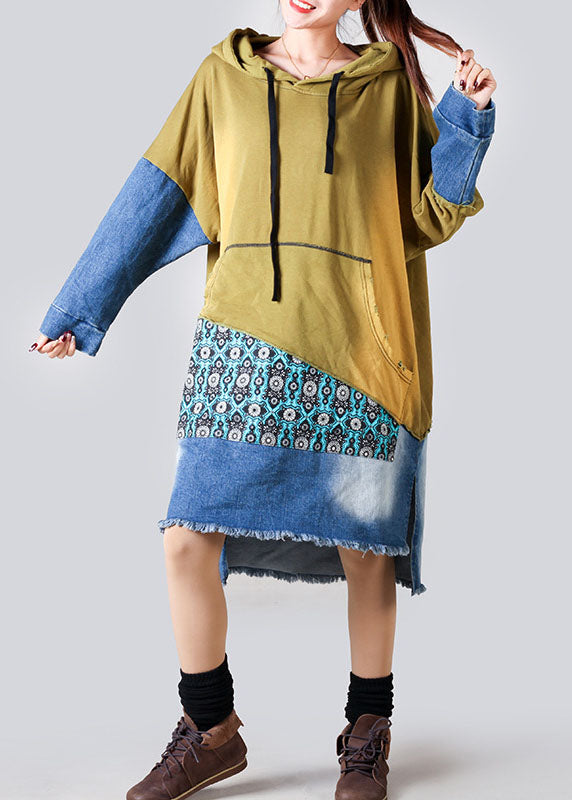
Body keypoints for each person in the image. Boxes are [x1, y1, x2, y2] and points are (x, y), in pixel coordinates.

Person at [30, 1, 496, 798]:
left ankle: (367, 731)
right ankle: (211, 730)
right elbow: (157, 194)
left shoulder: (386, 86)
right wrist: (84, 304)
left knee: (367, 548)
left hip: (361, 351)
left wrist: (467, 118)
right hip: (242, 346)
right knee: (186, 537)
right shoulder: (223, 78)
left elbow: (426, 214)